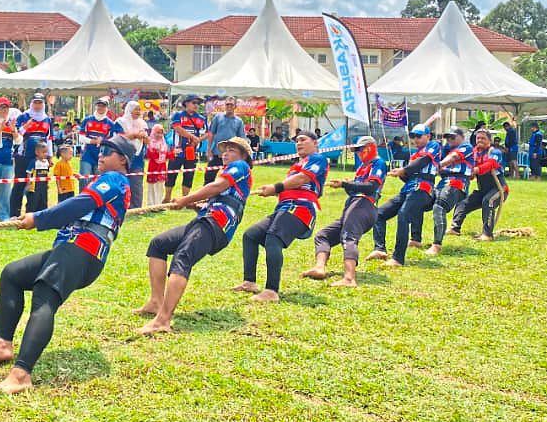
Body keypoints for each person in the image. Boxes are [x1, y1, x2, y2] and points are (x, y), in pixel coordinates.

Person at [0, 135, 135, 394]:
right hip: (70, 246)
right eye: (100, 150)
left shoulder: (116, 180)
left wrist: (39, 218)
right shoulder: (105, 180)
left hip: (84, 249)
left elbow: (79, 205)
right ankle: (2, 344)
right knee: (13, 274)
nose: (101, 155)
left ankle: (22, 374)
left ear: (124, 160)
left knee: (44, 295)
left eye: (108, 151)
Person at [136, 137, 253, 333]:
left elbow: (215, 188)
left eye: (232, 150)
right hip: (206, 218)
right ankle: (156, 302)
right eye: (225, 149)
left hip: (217, 223)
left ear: (243, 156)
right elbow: (217, 197)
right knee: (159, 244)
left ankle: (163, 320)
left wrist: (185, 199)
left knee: (183, 257)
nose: (225, 153)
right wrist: (194, 205)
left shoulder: (240, 167)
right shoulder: (227, 172)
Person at [234, 132, 328, 303]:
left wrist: (276, 188)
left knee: (273, 238)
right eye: (297, 141)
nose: (298, 143)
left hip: (301, 209)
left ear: (315, 143)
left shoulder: (318, 159)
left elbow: (303, 179)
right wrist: (272, 192)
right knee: (251, 235)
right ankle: (249, 282)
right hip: (284, 207)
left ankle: (271, 290)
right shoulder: (297, 165)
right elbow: (294, 185)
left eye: (303, 140)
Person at [302, 136, 387, 287]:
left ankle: (349, 278)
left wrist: (346, 184)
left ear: (370, 147)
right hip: (354, 205)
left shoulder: (377, 163)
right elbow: (356, 188)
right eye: (357, 151)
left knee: (349, 236)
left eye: (360, 150)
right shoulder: (361, 168)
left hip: (364, 205)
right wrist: (348, 185)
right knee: (323, 236)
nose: (359, 153)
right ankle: (320, 267)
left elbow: (371, 187)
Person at [368, 123, 441, 267]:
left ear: (428, 136)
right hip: (408, 189)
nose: (415, 139)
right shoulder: (413, 154)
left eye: (419, 136)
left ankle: (398, 258)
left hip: (423, 189)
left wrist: (404, 169)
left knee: (403, 215)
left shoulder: (433, 146)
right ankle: (380, 248)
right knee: (379, 214)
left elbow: (423, 162)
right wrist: (400, 173)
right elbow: (408, 175)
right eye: (413, 136)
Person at [451, 129, 508, 241]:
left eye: (483, 138)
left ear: (489, 140)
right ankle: (454, 228)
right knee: (463, 203)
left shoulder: (495, 152)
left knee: (488, 201)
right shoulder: (473, 153)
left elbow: (491, 164)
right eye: (478, 138)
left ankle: (487, 234)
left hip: (499, 189)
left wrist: (477, 169)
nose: (480, 140)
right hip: (483, 190)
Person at [429, 126, 474, 252]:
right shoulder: (446, 149)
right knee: (417, 202)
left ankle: (437, 245)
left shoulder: (466, 147)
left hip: (457, 182)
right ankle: (415, 239)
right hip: (443, 182)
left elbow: (454, 157)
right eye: (447, 137)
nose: (449, 140)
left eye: (453, 137)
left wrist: (439, 165)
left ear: (462, 137)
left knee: (439, 207)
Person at [11, 94, 54, 217]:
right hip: (23, 156)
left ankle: (37, 213)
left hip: (41, 159)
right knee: (19, 184)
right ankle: (15, 213)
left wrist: (49, 157)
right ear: (31, 103)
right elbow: (16, 135)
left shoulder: (47, 119)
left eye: (40, 103)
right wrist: (25, 127)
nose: (37, 105)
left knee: (39, 185)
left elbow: (49, 139)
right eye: (35, 102)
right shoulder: (23, 116)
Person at [164, 95, 207, 202]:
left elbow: (208, 133)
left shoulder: (201, 118)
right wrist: (193, 137)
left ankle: (185, 199)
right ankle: (167, 197)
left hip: (192, 151)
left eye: (198, 103)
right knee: (171, 174)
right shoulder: (178, 115)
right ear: (186, 103)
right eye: (194, 102)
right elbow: (177, 128)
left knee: (189, 175)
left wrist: (198, 140)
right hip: (177, 151)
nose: (196, 105)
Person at [203, 97, 246, 185]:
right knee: (209, 177)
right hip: (216, 153)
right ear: (224, 106)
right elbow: (211, 133)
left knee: (230, 178)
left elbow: (241, 139)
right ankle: (206, 197)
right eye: (227, 104)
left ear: (235, 106)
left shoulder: (239, 121)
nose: (229, 106)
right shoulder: (217, 117)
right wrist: (209, 149)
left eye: (231, 104)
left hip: (232, 155)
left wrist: (241, 154)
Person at [78, 97, 122, 181]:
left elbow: (113, 140)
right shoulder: (87, 120)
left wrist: (103, 141)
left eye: (103, 106)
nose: (100, 108)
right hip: (87, 154)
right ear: (96, 106)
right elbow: (81, 138)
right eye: (99, 105)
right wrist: (93, 141)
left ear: (106, 108)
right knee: (84, 180)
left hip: (102, 155)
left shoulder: (110, 123)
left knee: (98, 182)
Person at [116, 100, 149, 208]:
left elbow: (148, 141)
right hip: (122, 156)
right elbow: (119, 138)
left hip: (138, 157)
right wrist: (135, 135)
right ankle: (121, 205)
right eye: (136, 109)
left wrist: (145, 136)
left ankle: (136, 207)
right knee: (121, 182)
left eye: (139, 109)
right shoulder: (121, 122)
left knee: (136, 183)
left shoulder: (143, 123)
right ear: (129, 110)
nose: (138, 112)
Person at [145, 125, 170, 206]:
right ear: (153, 132)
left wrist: (173, 153)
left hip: (162, 168)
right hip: (153, 168)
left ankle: (159, 204)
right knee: (152, 187)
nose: (159, 135)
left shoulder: (163, 143)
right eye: (157, 132)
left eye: (161, 133)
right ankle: (151, 205)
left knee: (160, 186)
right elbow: (149, 155)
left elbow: (166, 155)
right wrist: (156, 151)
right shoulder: (150, 143)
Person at [26, 142, 51, 212]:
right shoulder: (34, 162)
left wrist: (47, 183)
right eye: (43, 152)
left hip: (43, 186)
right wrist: (28, 183)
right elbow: (29, 173)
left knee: (43, 202)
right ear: (37, 152)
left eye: (46, 152)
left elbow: (47, 173)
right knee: (33, 203)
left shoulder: (46, 162)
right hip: (34, 187)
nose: (45, 154)